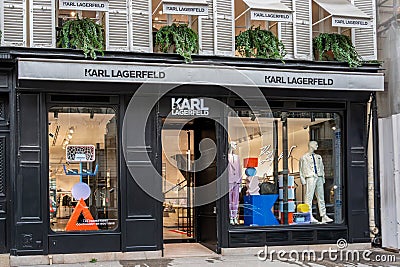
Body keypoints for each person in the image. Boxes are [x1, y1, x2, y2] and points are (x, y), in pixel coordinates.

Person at [299, 141, 333, 223]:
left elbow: (322, 167)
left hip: (319, 177)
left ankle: (323, 215)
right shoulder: (304, 157)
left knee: (321, 197)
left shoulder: (319, 157)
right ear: (311, 145)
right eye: (315, 144)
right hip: (310, 177)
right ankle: (309, 215)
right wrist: (302, 179)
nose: (317, 146)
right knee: (309, 197)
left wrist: (323, 177)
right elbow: (301, 169)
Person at [228, 141, 241, 225]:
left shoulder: (237, 157)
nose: (235, 146)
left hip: (236, 180)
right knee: (229, 200)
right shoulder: (226, 157)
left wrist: (240, 181)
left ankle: (234, 216)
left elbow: (239, 169)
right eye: (234, 144)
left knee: (235, 200)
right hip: (229, 180)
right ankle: (230, 217)